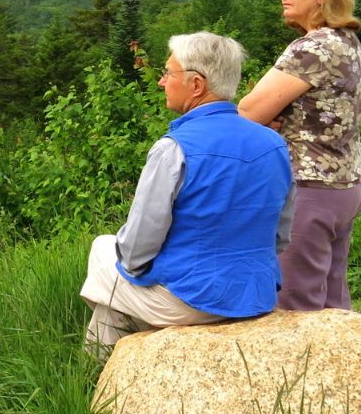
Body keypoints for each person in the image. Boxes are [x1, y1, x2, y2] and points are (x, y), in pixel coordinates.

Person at [80, 32, 295, 349]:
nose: (161, 82)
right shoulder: (274, 144)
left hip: (194, 300)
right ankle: (104, 359)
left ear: (196, 84)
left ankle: (101, 374)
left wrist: (145, 273)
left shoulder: (174, 149)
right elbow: (280, 237)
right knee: (109, 307)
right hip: (255, 295)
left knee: (103, 247)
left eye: (168, 73)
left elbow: (136, 251)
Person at [238, 0, 361, 311]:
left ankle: (306, 370)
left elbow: (248, 111)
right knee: (332, 297)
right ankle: (348, 364)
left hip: (312, 189)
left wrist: (267, 118)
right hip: (348, 180)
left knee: (297, 304)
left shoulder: (310, 48)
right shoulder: (346, 40)